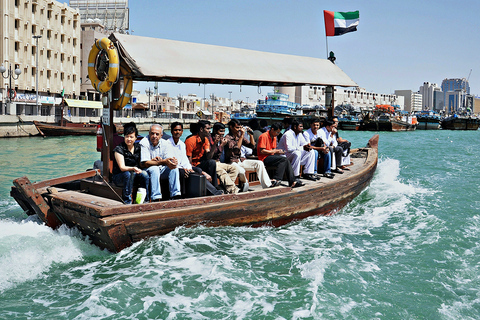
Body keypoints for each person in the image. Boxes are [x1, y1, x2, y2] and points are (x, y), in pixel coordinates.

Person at [165, 122, 223, 196]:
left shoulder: (182, 144)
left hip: (186, 166)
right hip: (173, 167)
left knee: (202, 168)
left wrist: (188, 168)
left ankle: (213, 190)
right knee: (185, 172)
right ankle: (184, 195)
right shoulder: (167, 144)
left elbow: (184, 159)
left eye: (179, 130)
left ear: (182, 131)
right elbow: (169, 160)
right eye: (175, 130)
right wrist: (185, 168)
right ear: (171, 131)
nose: (177, 132)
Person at [224, 119, 272, 190]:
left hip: (240, 160)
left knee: (259, 163)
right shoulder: (228, 138)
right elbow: (237, 149)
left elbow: (252, 146)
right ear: (231, 127)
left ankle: (267, 186)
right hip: (231, 162)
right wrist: (242, 135)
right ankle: (245, 185)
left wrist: (251, 135)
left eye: (240, 128)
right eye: (237, 128)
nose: (239, 129)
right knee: (241, 171)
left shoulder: (239, 136)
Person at [139, 124, 181, 201]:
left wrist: (173, 162)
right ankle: (156, 197)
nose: (154, 136)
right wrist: (161, 161)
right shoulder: (144, 142)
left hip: (161, 169)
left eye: (157, 134)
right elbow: (146, 163)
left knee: (174, 168)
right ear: (149, 133)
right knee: (154, 169)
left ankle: (175, 195)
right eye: (152, 133)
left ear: (161, 135)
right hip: (147, 170)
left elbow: (168, 159)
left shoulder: (165, 143)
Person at [257, 123, 302, 188]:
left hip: (271, 156)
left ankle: (292, 181)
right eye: (277, 132)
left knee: (285, 159)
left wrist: (279, 152)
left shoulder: (274, 137)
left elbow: (273, 149)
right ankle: (278, 179)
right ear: (272, 129)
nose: (278, 134)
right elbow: (262, 151)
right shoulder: (263, 136)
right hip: (264, 158)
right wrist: (275, 151)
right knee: (283, 159)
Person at [112, 125, 149, 204]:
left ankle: (145, 198)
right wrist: (133, 168)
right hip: (119, 176)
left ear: (136, 138)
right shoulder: (119, 149)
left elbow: (141, 163)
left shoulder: (138, 148)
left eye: (131, 137)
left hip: (133, 174)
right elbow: (122, 168)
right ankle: (127, 200)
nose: (129, 139)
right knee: (127, 174)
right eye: (127, 136)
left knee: (145, 174)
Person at [185, 120, 218, 189]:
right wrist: (202, 172)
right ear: (201, 129)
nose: (210, 131)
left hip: (199, 163)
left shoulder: (206, 140)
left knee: (212, 162)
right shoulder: (190, 140)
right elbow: (188, 162)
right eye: (208, 128)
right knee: (199, 170)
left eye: (210, 128)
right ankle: (213, 190)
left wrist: (215, 144)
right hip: (192, 166)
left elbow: (209, 157)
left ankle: (215, 187)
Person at [210, 122, 240, 194]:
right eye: (220, 131)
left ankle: (224, 188)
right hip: (211, 162)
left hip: (219, 162)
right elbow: (211, 155)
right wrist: (221, 145)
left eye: (223, 131)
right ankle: (233, 190)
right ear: (214, 131)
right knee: (222, 172)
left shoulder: (222, 139)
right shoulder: (210, 139)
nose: (222, 133)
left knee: (234, 168)